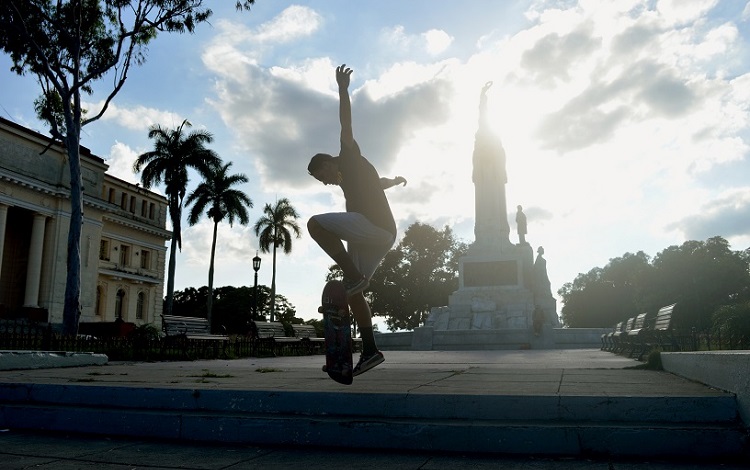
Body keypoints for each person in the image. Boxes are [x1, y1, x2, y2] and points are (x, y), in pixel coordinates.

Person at [307, 64, 406, 376]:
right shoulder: (356, 177)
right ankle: (371, 349)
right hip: (380, 234)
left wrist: (342, 89)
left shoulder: (347, 157)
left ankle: (352, 275)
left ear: (327, 162)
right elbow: (380, 184)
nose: (324, 183)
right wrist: (395, 180)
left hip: (372, 226)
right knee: (354, 292)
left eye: (321, 176)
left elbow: (345, 123)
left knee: (315, 224)